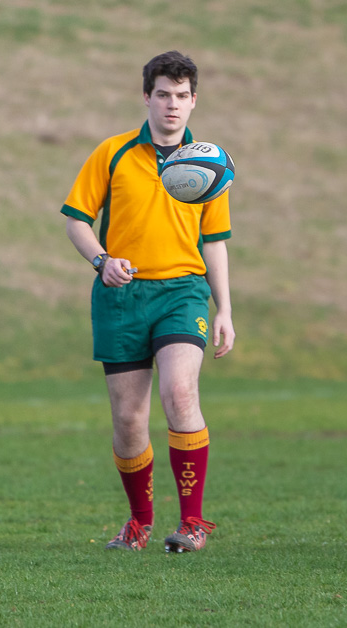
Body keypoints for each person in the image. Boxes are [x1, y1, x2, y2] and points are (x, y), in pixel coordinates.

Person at [61, 51, 234, 553]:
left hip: (182, 292)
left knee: (180, 395)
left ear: (194, 100)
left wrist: (224, 309)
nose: (172, 105)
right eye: (163, 95)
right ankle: (139, 523)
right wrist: (101, 260)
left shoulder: (209, 164)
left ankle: (194, 524)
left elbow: (215, 240)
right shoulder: (113, 153)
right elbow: (76, 219)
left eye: (182, 96)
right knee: (129, 419)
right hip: (121, 295)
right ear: (147, 97)